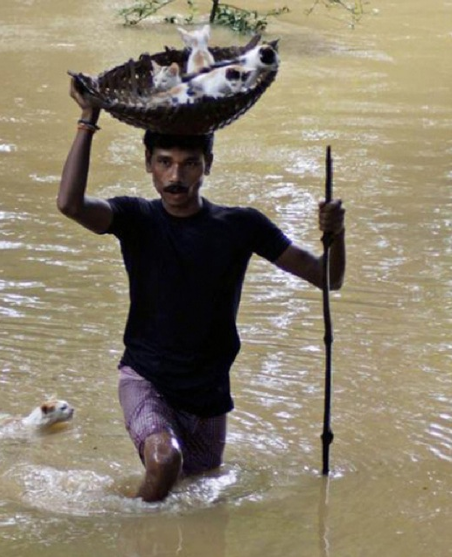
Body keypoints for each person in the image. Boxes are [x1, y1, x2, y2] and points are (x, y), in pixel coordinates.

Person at [57, 80, 346, 502]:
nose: (176, 177)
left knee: (198, 492)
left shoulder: (241, 225)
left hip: (208, 392)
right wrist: (88, 119)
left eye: (190, 163)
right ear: (148, 164)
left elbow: (328, 278)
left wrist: (336, 234)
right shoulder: (136, 218)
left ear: (208, 164)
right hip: (146, 377)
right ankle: (137, 540)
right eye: (165, 162)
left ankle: (132, 514)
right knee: (164, 461)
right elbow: (71, 204)